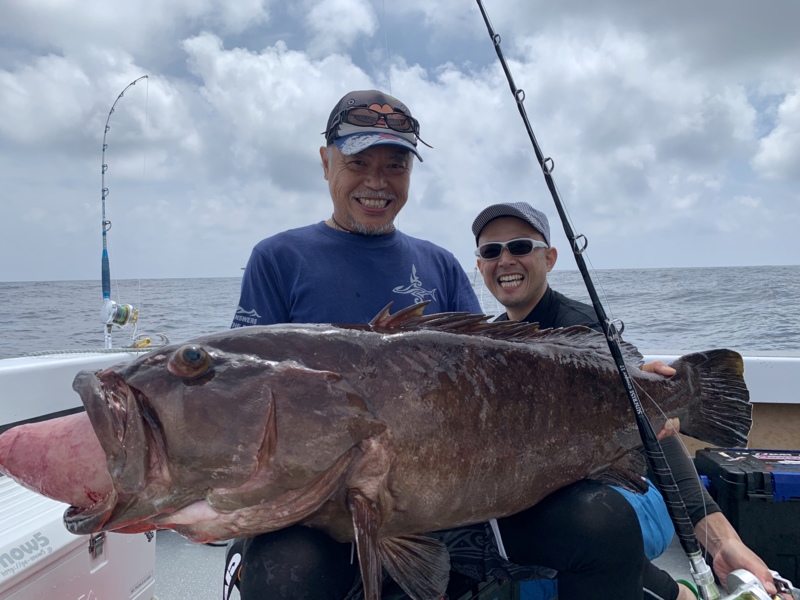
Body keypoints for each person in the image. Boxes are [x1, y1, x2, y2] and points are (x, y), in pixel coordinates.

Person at [224, 90, 673, 600]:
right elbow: (243, 397)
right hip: (318, 510)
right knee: (284, 577)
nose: (377, 182)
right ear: (326, 162)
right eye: (358, 162)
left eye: (395, 165)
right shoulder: (277, 259)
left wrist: (627, 394)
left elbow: (490, 381)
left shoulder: (438, 264)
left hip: (449, 502)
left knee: (604, 524)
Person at [471, 200, 791, 600]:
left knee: (592, 525)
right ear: (479, 265)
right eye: (490, 251)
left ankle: (676, 595)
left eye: (519, 247)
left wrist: (719, 538)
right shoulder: (487, 343)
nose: (505, 260)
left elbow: (651, 423)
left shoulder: (581, 328)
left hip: (625, 495)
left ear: (549, 258)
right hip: (557, 498)